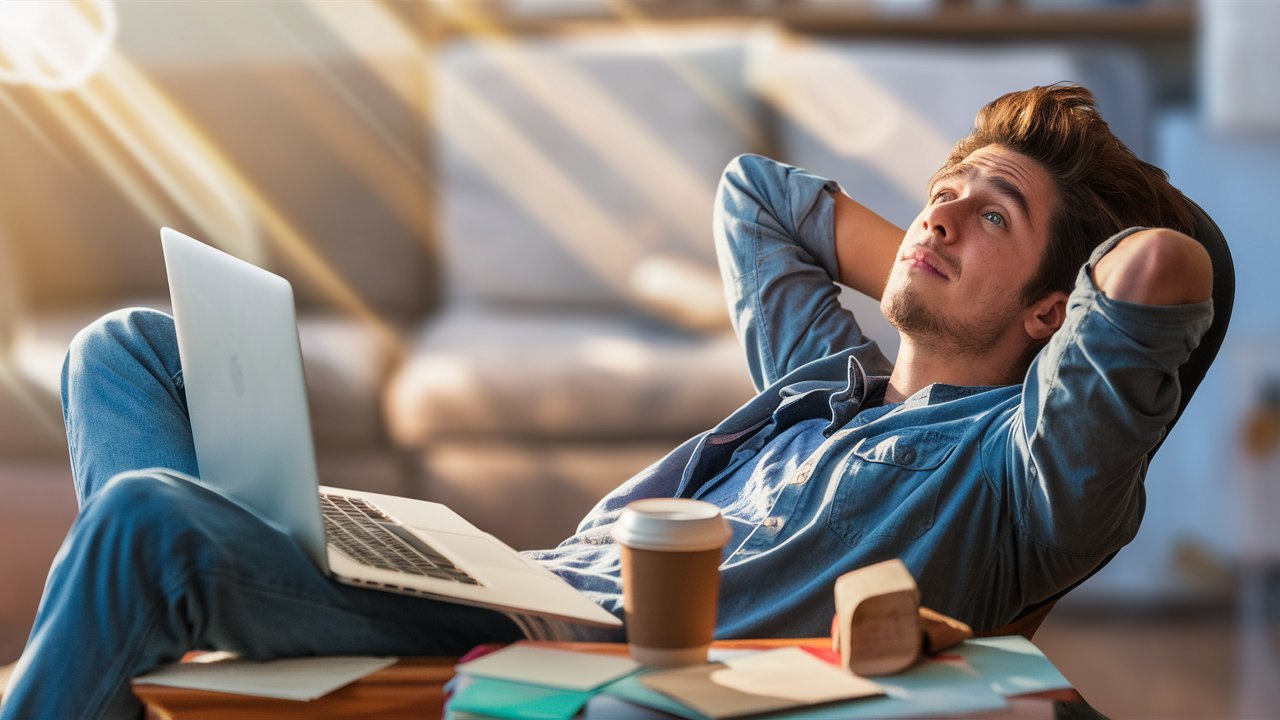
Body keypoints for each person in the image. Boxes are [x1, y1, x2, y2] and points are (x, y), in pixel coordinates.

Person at [1, 83, 1213, 718]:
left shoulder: (1018, 474)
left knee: (149, 524)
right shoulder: (815, 386)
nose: (937, 212)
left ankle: (140, 639)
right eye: (937, 193)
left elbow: (1159, 270)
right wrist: (949, 246)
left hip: (548, 649)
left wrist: (1020, 298)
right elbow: (757, 195)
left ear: (1057, 315)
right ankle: (171, 654)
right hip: (502, 571)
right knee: (124, 350)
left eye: (984, 214)